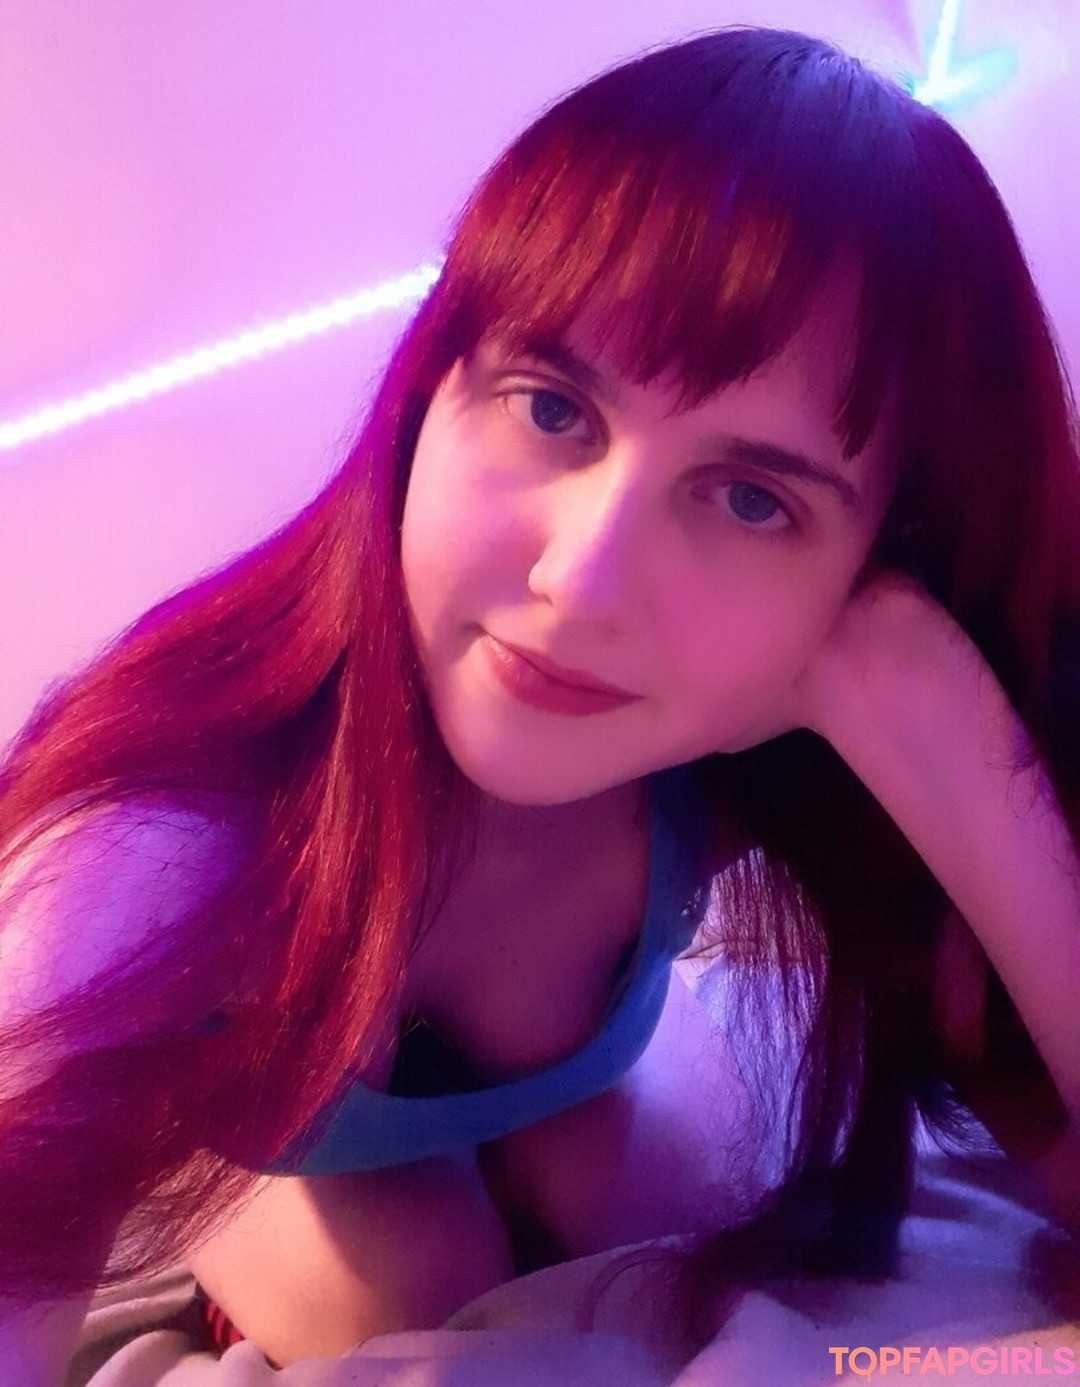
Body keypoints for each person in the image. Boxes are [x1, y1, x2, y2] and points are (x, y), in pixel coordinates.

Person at [1, 22, 1078, 1378]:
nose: (582, 578)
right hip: (262, 1160)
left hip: (593, 1103)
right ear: (429, 395)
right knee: (420, 1283)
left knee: (642, 1226)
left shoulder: (740, 771)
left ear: (876, 571)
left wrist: (963, 763)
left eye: (751, 499)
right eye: (552, 408)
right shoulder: (151, 852)